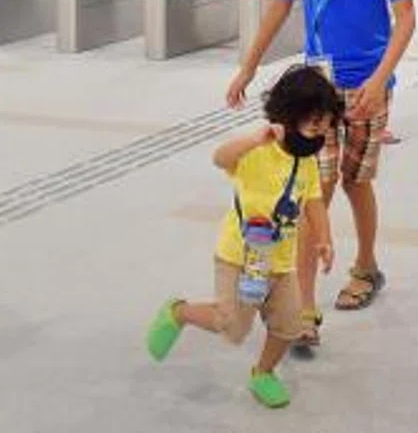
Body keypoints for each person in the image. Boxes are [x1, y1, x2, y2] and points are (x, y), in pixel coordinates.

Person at [227, 0, 418, 351]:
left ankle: (367, 265)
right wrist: (248, 66)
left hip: (367, 90)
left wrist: (380, 81)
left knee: (359, 183)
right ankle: (304, 309)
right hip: (316, 92)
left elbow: (405, 20)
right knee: (314, 196)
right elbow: (276, 9)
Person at [145, 64, 343, 410]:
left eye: (325, 124)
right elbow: (219, 158)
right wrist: (254, 138)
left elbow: (313, 204)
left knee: (289, 323)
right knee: (231, 326)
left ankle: (263, 372)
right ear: (290, 113)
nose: (319, 131)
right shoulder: (258, 151)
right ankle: (178, 312)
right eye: (314, 121)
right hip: (238, 256)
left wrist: (324, 240)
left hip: (280, 261)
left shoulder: (306, 162)